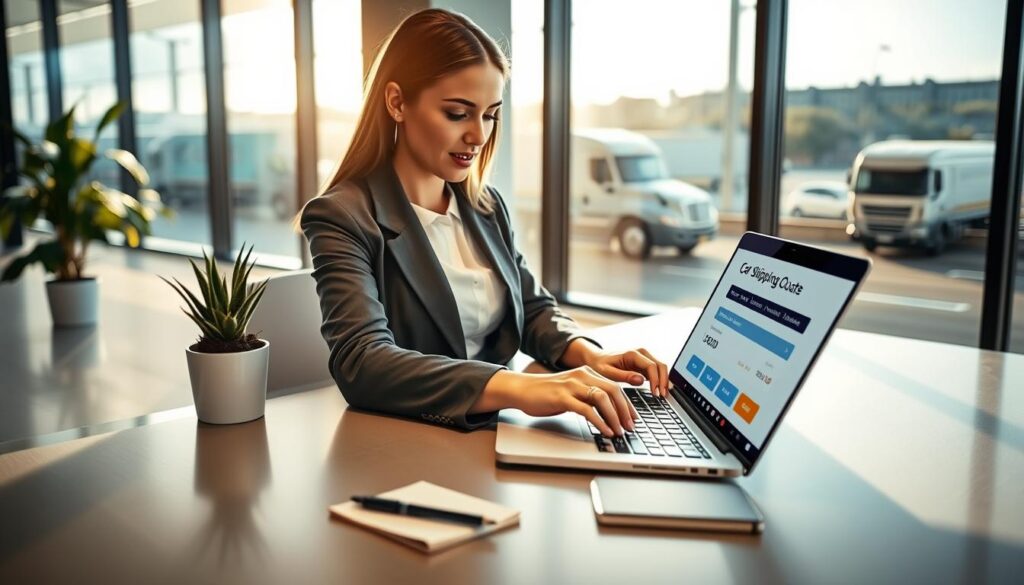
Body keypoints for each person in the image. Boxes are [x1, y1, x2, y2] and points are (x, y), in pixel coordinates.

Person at [301, 8, 670, 438]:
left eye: (490, 114)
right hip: (412, 441)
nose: (479, 136)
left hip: (499, 431)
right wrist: (523, 389)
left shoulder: (485, 205)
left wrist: (590, 356)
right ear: (397, 103)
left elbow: (532, 309)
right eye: (458, 113)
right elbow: (362, 362)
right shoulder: (342, 216)